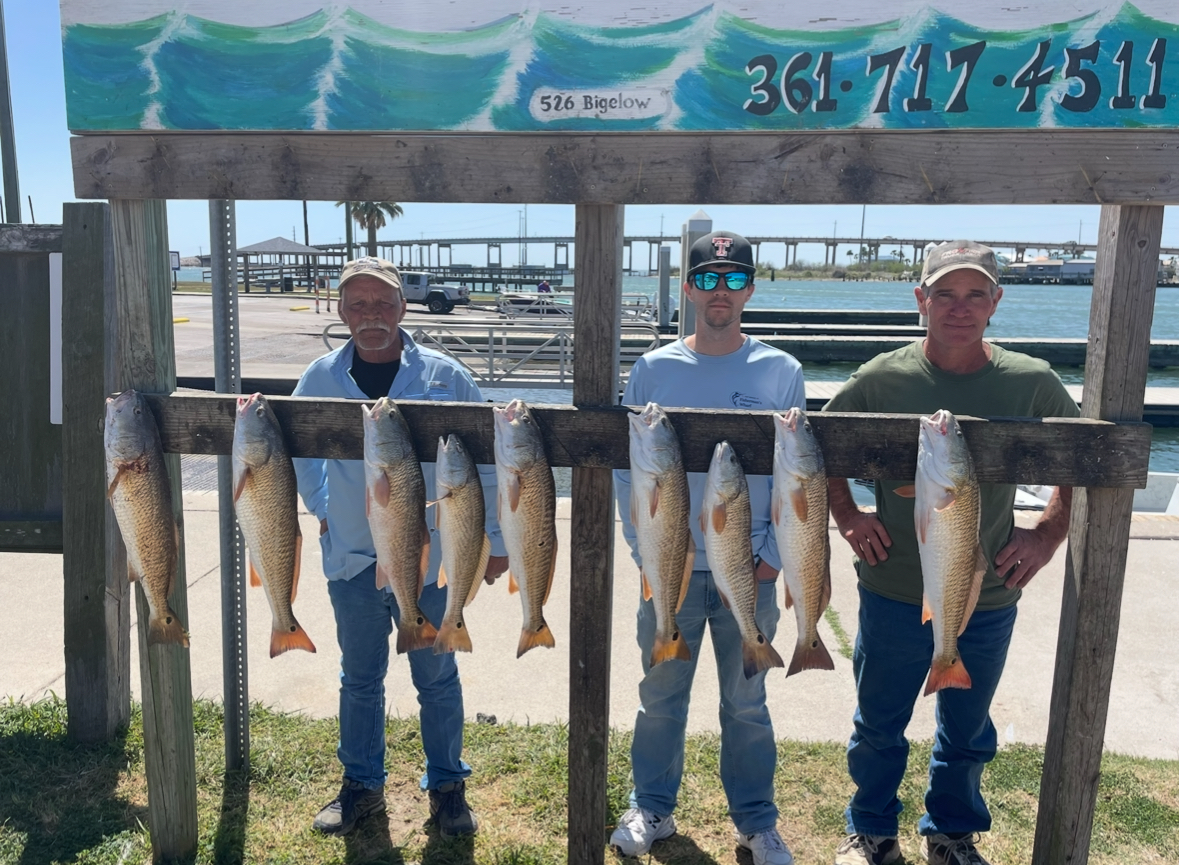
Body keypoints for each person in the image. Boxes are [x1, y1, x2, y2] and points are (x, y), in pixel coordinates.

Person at [825, 241, 1078, 865]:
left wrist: (1046, 533)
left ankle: (951, 833)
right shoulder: (882, 377)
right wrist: (848, 516)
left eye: (974, 295)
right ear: (920, 301)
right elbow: (818, 445)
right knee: (878, 725)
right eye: (944, 293)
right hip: (891, 590)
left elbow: (1082, 457)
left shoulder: (1033, 380)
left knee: (966, 732)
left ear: (996, 302)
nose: (958, 308)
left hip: (987, 594)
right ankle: (871, 829)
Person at [293, 256, 509, 838]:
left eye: (383, 303)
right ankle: (361, 785)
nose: (371, 315)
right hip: (353, 561)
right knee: (359, 678)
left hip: (432, 563)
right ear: (341, 310)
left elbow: (485, 459)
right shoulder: (318, 378)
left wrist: (496, 540)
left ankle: (447, 787)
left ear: (402, 307)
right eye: (358, 304)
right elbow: (294, 456)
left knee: (436, 678)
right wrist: (325, 510)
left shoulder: (447, 375)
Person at [612, 231, 805, 865]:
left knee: (745, 700)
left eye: (733, 278)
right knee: (661, 693)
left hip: (750, 568)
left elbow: (796, 474)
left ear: (750, 287)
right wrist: (643, 550)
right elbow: (628, 470)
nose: (720, 291)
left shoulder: (781, 371)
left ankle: (756, 822)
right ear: (690, 287)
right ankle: (651, 807)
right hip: (670, 567)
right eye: (709, 278)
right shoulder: (653, 368)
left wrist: (774, 556)